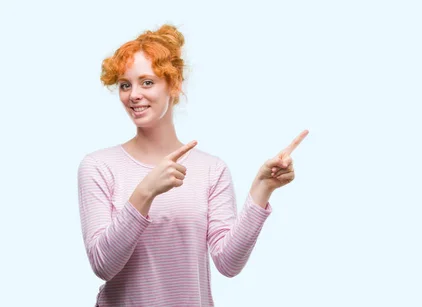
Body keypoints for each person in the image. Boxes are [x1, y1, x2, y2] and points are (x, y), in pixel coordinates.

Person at [77, 24, 308, 307]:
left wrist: (263, 188)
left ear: (173, 85)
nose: (133, 94)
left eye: (147, 82)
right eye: (125, 85)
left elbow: (228, 263)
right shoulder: (99, 166)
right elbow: (102, 265)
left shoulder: (211, 170)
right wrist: (144, 193)